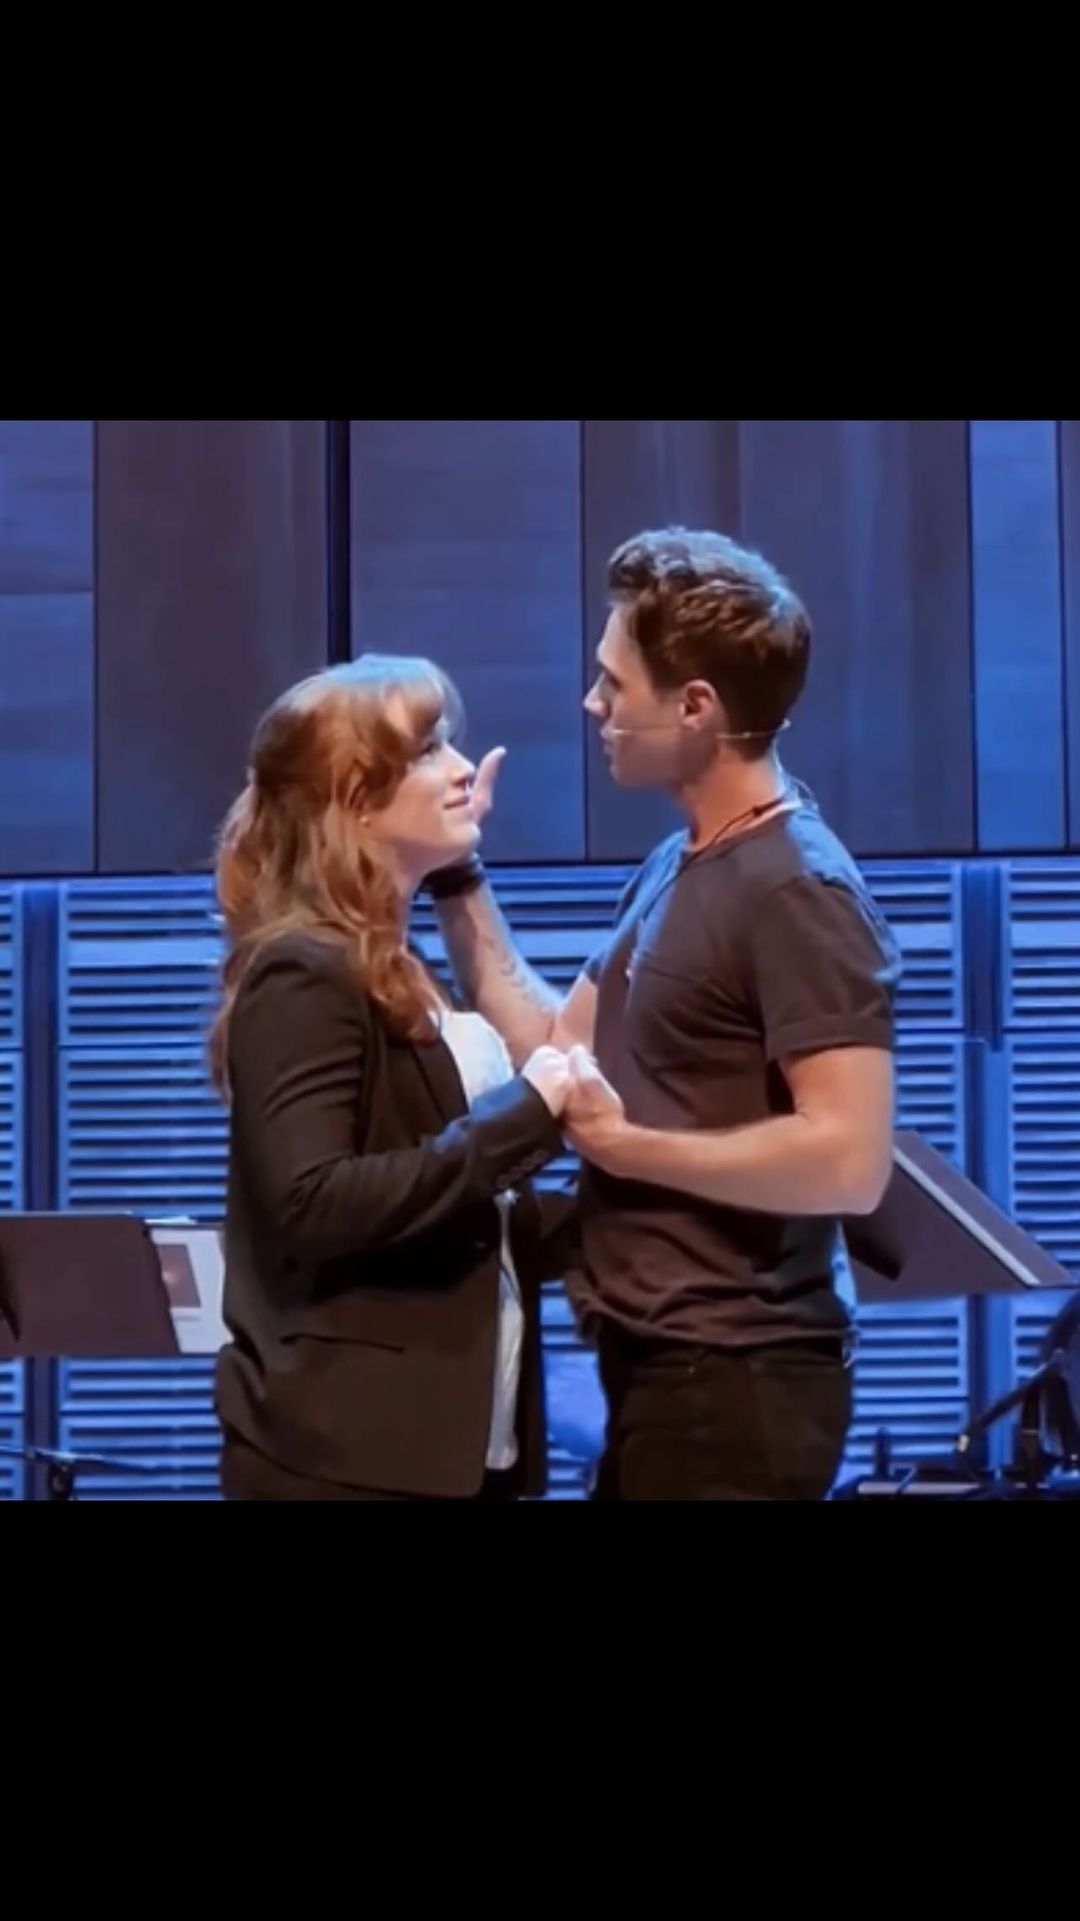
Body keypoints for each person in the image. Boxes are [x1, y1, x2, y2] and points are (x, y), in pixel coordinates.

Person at [432, 527, 902, 1500]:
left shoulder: (797, 889)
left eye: (615, 682)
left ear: (695, 707)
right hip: (662, 1372)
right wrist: (457, 873)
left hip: (739, 1377)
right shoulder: (680, 863)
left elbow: (849, 1159)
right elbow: (554, 1046)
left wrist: (630, 1148)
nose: (592, 703)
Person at [210, 654, 579, 1501]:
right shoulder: (302, 971)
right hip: (346, 1458)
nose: (463, 770)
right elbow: (315, 1202)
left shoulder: (398, 965)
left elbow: (456, 1211)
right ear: (357, 801)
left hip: (457, 1452)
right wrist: (530, 1113)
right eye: (429, 751)